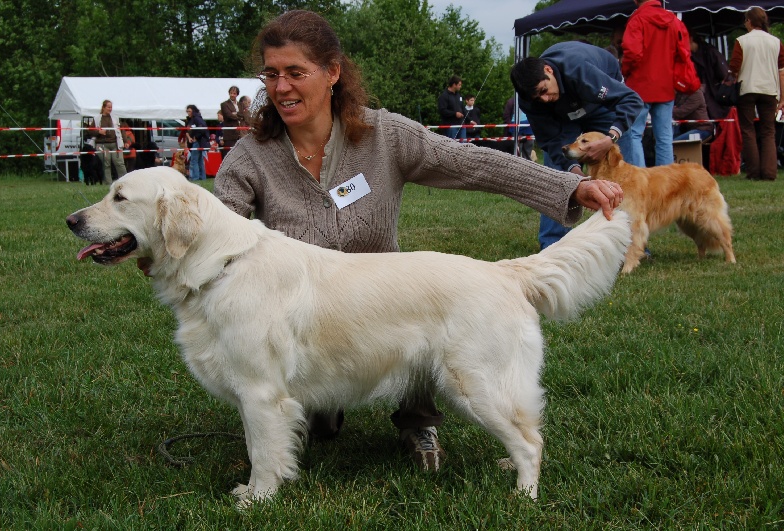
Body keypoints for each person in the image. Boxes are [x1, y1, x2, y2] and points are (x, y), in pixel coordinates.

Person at [214, 10, 623, 472]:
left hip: (389, 308)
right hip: (304, 324)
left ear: (332, 73)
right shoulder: (251, 155)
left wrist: (568, 187)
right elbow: (218, 228)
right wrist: (171, 249)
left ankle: (418, 420)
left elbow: (476, 164)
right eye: (271, 74)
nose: (281, 87)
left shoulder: (384, 135)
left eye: (295, 73)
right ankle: (311, 414)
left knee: (423, 312)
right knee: (315, 423)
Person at [511, 41, 643, 249]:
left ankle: (633, 245)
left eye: (544, 90)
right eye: (538, 97)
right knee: (558, 176)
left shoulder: (578, 69)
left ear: (549, 70)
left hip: (601, 105)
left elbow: (631, 100)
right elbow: (552, 142)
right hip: (563, 118)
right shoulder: (531, 100)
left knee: (625, 173)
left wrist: (610, 139)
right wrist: (576, 175)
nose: (544, 99)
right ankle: (553, 246)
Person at [622, 0, 692, 167]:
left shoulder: (637, 19)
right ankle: (666, 185)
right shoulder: (674, 21)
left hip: (640, 86)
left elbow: (632, 53)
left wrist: (625, 71)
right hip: (666, 87)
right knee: (664, 137)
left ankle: (639, 182)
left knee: (634, 134)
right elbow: (683, 53)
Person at [728, 6, 784, 181]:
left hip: (748, 89)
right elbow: (782, 71)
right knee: (769, 131)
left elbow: (734, 68)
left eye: (746, 20)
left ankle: (753, 172)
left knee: (748, 129)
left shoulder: (742, 41)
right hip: (770, 90)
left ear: (749, 22)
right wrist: (783, 97)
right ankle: (769, 172)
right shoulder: (776, 42)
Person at [689, 33, 730, 120]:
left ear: (690, 38)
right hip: (703, 101)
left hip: (716, 100)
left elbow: (725, 75)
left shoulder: (711, 52)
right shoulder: (688, 56)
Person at [88, 100, 127, 184]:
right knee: (106, 164)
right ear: (104, 107)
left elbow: (121, 130)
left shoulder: (115, 118)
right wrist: (99, 132)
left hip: (115, 144)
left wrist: (125, 140)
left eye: (111, 107)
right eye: (108, 107)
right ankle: (108, 184)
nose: (110, 109)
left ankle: (125, 181)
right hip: (102, 144)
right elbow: (90, 131)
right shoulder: (97, 118)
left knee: (119, 163)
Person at [185, 105, 209, 181]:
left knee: (194, 160)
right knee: (199, 160)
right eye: (187, 111)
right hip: (195, 142)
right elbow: (187, 131)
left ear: (193, 111)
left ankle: (195, 178)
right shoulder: (191, 119)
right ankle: (202, 177)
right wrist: (189, 138)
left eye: (189, 111)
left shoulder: (197, 119)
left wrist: (196, 137)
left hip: (198, 142)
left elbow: (202, 129)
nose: (188, 113)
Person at [437, 75, 466, 140]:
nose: (460, 86)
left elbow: (463, 108)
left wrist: (470, 120)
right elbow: (442, 110)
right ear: (454, 85)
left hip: (461, 125)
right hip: (451, 126)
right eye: (459, 85)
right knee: (452, 146)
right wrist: (454, 114)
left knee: (464, 146)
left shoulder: (459, 95)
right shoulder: (444, 96)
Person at [220, 86, 241, 153]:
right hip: (230, 133)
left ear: (237, 94)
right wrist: (238, 115)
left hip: (240, 133)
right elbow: (228, 115)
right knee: (230, 153)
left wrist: (235, 114)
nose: (232, 95)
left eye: (234, 93)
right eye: (231, 93)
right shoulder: (224, 104)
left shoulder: (241, 104)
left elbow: (244, 115)